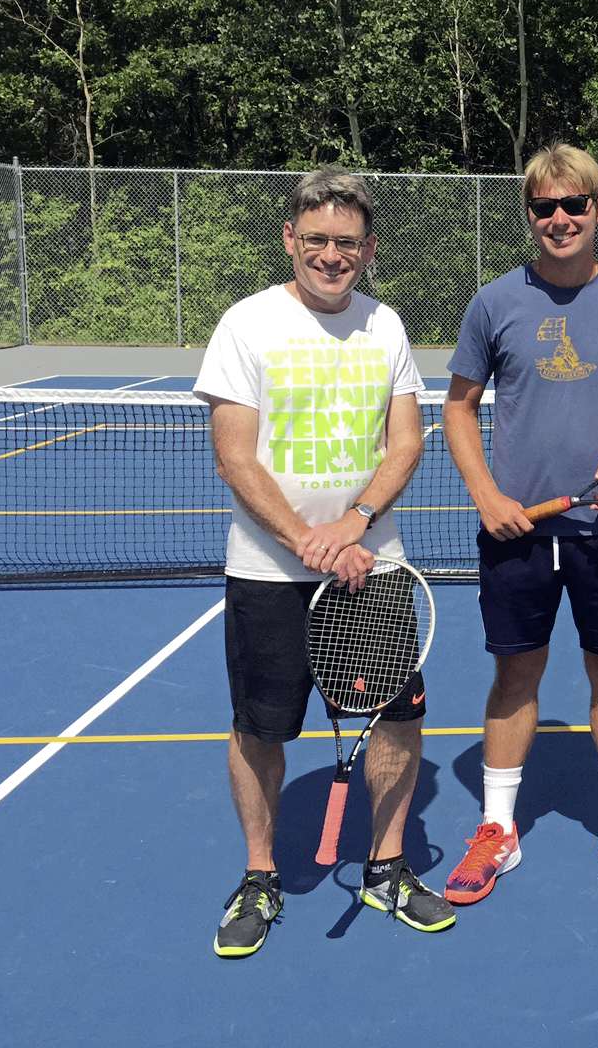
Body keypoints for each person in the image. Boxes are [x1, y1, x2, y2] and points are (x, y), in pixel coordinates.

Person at [195, 167, 452, 958]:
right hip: (271, 574)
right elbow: (235, 458)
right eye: (317, 241)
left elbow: (406, 441)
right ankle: (261, 875)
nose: (331, 256)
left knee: (398, 719)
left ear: (367, 250)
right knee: (260, 729)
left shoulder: (387, 326)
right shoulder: (246, 324)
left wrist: (355, 525)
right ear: (290, 240)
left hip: (374, 570)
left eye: (346, 243)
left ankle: (386, 866)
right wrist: (307, 541)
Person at [440, 143, 598, 903]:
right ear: (529, 215)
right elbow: (456, 407)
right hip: (518, 531)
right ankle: (498, 830)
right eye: (543, 206)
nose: (558, 219)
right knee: (516, 673)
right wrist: (486, 495)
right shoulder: (493, 304)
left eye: (572, 205)